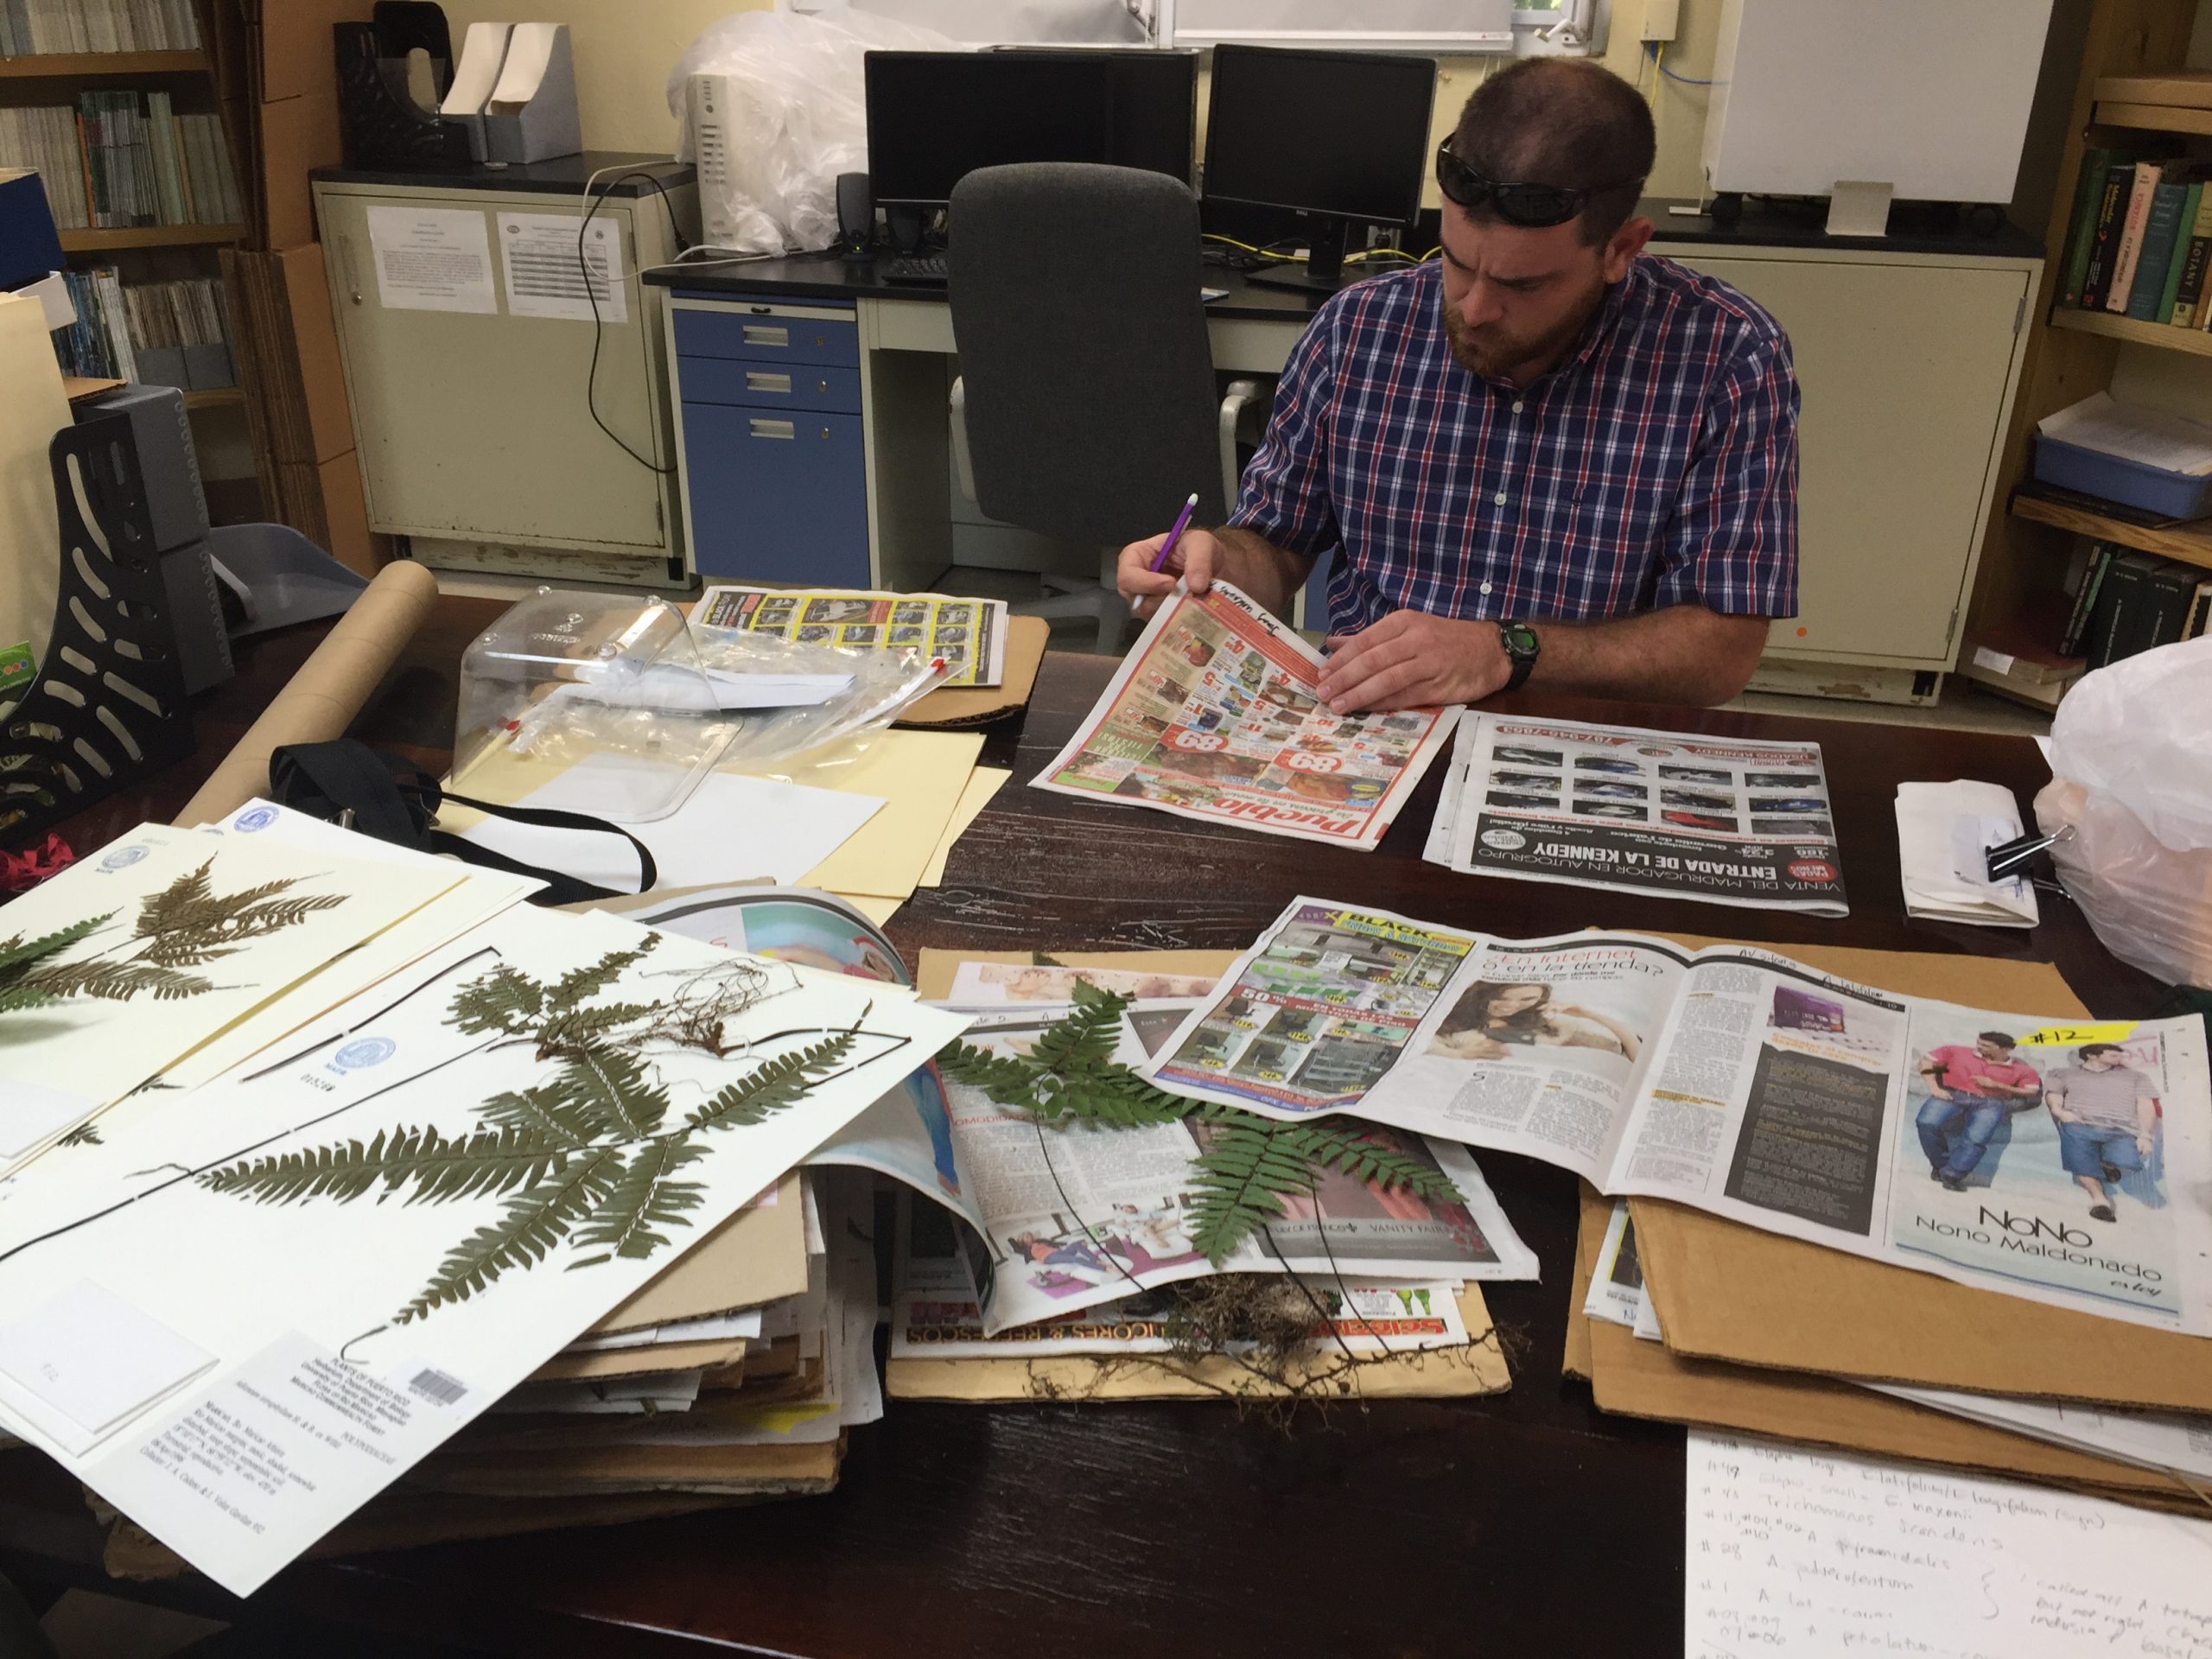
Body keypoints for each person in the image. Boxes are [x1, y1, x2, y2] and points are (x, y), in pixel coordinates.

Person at [1118, 57, 1798, 712]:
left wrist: (1508, 650)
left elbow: (1722, 649)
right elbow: (1278, 546)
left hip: (1577, 730)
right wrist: (1214, 567)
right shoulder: (1358, 328)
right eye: (1456, 262)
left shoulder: (1725, 356)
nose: (1473, 310)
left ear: (1621, 249)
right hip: (1370, 721)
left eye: (1522, 284)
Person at [2044, 1042, 2160, 1224]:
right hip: (2079, 1124)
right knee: (2081, 1163)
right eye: (2114, 1055)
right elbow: (2054, 1095)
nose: (2119, 1059)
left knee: (2127, 1161)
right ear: (2092, 1055)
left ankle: (2104, 1163)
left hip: (2121, 1129)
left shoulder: (2136, 1077)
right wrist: (2060, 1112)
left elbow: (2145, 1105)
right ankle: (2100, 1200)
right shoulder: (2064, 1073)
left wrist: (2145, 1135)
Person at [1913, 1031, 2043, 1192]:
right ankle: (1941, 1166)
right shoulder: (1956, 1051)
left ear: (2005, 1049)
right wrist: (1934, 1088)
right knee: (1926, 1122)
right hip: (1953, 1094)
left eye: (1986, 1046)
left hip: (1990, 1102)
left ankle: (1952, 1175)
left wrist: (1997, 1085)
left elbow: (2031, 1092)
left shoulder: (2022, 1069)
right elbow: (1926, 1062)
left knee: (1976, 1139)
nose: (1979, 1047)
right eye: (1979, 1042)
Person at [1427, 980, 1639, 1061]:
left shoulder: (1551, 1026)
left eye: (1527, 999)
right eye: (1501, 997)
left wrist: (1585, 1013)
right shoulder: (1455, 1023)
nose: (1510, 1005)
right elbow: (1423, 1046)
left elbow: (1631, 1052)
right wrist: (1460, 1054)